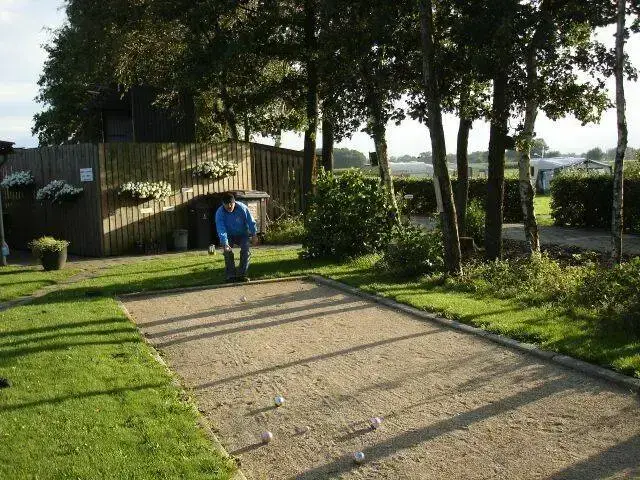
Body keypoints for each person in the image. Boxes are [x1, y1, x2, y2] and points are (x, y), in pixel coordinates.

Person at [215, 192, 258, 282]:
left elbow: (251, 221)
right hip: (228, 235)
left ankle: (242, 274)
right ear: (223, 204)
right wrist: (225, 243)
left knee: (245, 250)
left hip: (243, 234)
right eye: (227, 204)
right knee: (227, 252)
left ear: (234, 202)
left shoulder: (242, 208)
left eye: (231, 204)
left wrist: (254, 234)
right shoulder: (219, 213)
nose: (229, 206)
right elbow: (221, 228)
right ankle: (231, 276)